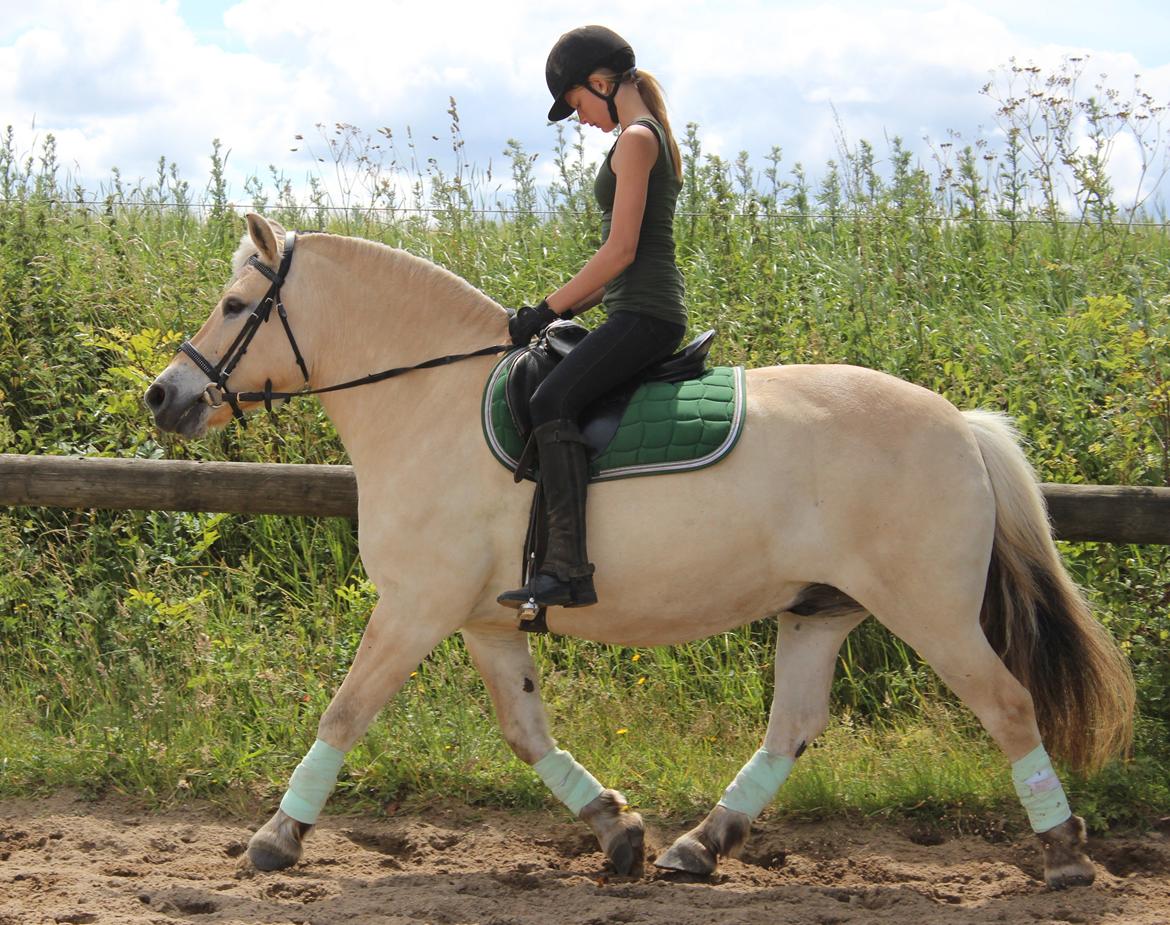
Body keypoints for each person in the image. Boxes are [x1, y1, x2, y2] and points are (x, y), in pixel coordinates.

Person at [497, 25, 688, 611]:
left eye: (578, 103)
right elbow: (613, 270)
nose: (579, 118)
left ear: (601, 83)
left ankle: (567, 570)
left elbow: (620, 252)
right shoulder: (639, 137)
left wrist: (548, 308)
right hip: (632, 305)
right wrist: (549, 311)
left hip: (648, 314)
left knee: (552, 401)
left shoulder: (636, 138)